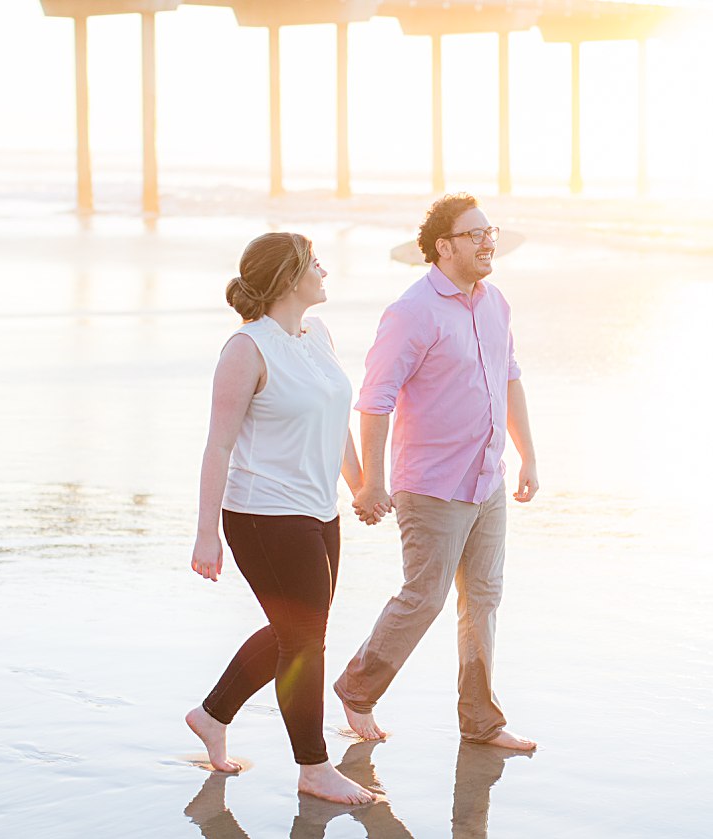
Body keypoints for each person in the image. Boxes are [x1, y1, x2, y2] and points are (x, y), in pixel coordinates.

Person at [335, 193, 538, 751]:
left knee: (484, 600)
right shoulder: (411, 311)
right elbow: (374, 400)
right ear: (443, 247)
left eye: (489, 230)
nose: (488, 241)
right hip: (431, 486)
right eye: (474, 234)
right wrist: (372, 483)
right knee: (423, 598)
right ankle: (357, 688)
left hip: (488, 479)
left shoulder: (495, 302)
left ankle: (482, 722)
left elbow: (510, 378)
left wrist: (528, 455)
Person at [185, 232, 380, 805]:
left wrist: (362, 486)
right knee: (305, 639)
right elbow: (217, 446)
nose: (324, 270)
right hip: (262, 513)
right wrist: (206, 534)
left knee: (299, 632)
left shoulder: (317, 334)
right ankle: (314, 767)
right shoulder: (246, 350)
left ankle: (211, 714)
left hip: (320, 510)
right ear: (289, 278)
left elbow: (334, 416)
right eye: (314, 262)